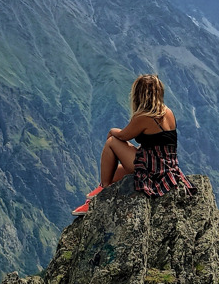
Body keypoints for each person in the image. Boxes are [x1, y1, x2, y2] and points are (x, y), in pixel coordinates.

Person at [72, 74, 196, 216]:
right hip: (167, 167)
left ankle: (102, 194)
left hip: (152, 168)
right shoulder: (168, 112)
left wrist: (112, 131)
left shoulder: (143, 116)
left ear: (139, 94)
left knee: (112, 142)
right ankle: (96, 197)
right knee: (115, 172)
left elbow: (124, 135)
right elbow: (158, 144)